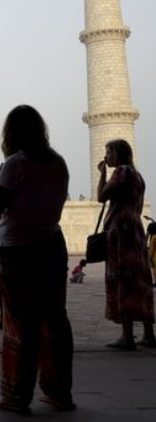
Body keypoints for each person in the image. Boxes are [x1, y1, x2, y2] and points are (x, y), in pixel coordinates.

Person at [0, 105, 74, 414]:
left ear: (11, 133)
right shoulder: (59, 162)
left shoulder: (16, 163)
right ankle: (60, 392)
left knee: (23, 323)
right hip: (52, 243)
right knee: (56, 319)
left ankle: (18, 396)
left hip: (19, 248)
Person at [96, 139, 156, 349]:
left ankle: (127, 335)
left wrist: (103, 172)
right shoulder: (137, 175)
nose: (107, 157)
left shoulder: (121, 172)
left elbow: (101, 196)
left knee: (123, 279)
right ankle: (149, 334)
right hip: (135, 228)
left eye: (109, 152)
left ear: (119, 153)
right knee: (140, 280)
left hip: (121, 231)